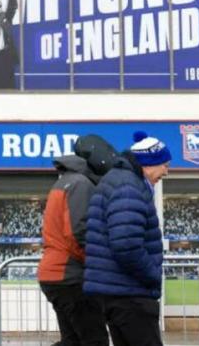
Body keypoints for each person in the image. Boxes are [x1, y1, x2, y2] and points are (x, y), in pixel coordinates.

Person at [84, 131, 172, 346]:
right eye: (165, 165)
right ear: (149, 164)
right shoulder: (128, 187)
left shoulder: (120, 181)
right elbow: (126, 245)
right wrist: (152, 274)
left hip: (119, 292)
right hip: (130, 294)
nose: (167, 172)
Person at [38, 134, 117, 346]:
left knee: (72, 341)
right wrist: (99, 262)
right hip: (71, 276)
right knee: (95, 340)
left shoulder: (65, 182)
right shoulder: (81, 185)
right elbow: (79, 232)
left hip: (57, 274)